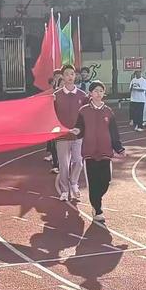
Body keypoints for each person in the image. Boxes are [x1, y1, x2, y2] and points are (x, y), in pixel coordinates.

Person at [71, 81, 125, 223]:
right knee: (93, 183)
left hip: (105, 151)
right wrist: (77, 131)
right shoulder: (83, 111)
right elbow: (79, 127)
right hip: (89, 152)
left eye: (101, 91)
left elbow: (114, 132)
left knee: (105, 181)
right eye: (95, 91)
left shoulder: (108, 111)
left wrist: (119, 148)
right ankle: (97, 209)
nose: (98, 93)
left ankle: (96, 198)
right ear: (90, 93)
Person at [53, 64, 87, 201]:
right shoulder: (56, 96)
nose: (70, 77)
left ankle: (74, 183)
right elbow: (51, 115)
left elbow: (85, 115)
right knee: (63, 164)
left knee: (78, 162)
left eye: (72, 74)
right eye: (67, 74)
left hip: (77, 135)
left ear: (75, 76)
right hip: (62, 136)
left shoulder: (82, 95)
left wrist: (80, 128)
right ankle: (64, 191)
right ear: (62, 76)